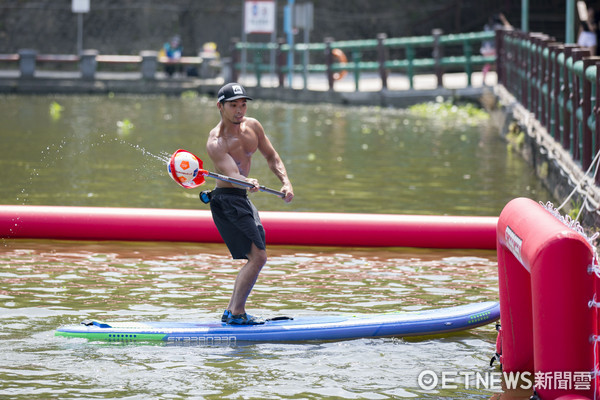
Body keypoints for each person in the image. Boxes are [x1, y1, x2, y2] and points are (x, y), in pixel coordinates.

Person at [206, 82, 294, 325]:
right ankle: (236, 313)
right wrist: (245, 181)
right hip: (227, 200)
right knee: (258, 257)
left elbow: (271, 155)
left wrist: (286, 182)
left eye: (243, 104)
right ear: (220, 107)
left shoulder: (253, 126)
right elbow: (232, 177)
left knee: (256, 256)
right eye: (233, 105)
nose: (239, 110)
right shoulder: (216, 142)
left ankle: (231, 311)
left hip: (242, 198)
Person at [480, 13, 512, 85]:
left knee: (487, 65)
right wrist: (503, 19)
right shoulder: (497, 27)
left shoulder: (486, 27)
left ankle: (483, 80)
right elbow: (510, 28)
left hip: (484, 50)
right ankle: (500, 80)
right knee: (498, 63)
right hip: (493, 50)